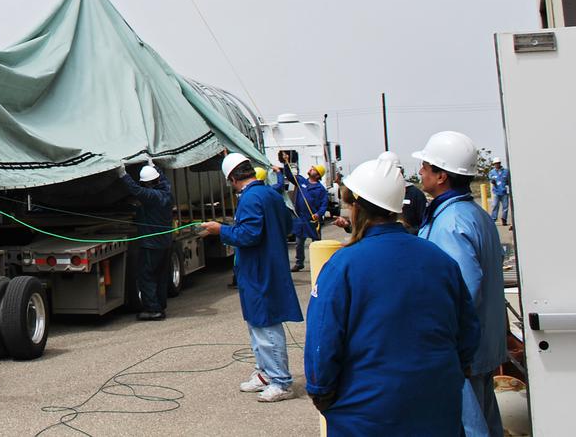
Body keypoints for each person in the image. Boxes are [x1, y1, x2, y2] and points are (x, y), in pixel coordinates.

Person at [305, 158, 479, 435]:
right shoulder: (439, 259)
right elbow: (467, 330)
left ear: (357, 207)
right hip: (436, 403)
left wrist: (321, 392)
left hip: (367, 412)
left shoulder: (343, 266)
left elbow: (323, 340)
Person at [414, 131, 507, 437]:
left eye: (426, 167)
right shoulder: (474, 214)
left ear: (441, 176)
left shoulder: (451, 224)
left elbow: (462, 292)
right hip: (482, 345)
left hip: (461, 352)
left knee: (469, 428)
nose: (421, 172)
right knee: (486, 423)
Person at [201, 154, 302, 403]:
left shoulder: (250, 199)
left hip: (259, 271)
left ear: (232, 178)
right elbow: (287, 224)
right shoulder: (270, 194)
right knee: (257, 324)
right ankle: (266, 374)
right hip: (266, 268)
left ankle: (281, 381)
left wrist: (220, 230)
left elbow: (248, 235)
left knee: (266, 325)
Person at [118, 161, 174, 320]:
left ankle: (153, 309)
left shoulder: (152, 196)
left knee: (147, 276)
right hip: (165, 243)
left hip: (151, 244)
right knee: (161, 276)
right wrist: (154, 166)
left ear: (147, 184)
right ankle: (160, 305)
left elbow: (136, 190)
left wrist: (123, 175)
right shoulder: (166, 191)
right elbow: (164, 180)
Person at [290, 166, 328, 271]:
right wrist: (285, 163)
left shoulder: (321, 189)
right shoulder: (301, 181)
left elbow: (324, 205)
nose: (311, 168)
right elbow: (289, 176)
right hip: (301, 219)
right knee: (299, 243)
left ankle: (319, 262)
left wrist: (318, 214)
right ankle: (299, 263)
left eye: (313, 169)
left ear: (318, 175)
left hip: (312, 220)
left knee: (316, 243)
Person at [379, 150, 427, 231]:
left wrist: (409, 230)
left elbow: (425, 226)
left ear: (401, 171)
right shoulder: (376, 194)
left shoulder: (414, 194)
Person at [487, 158, 510, 226]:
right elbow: (490, 179)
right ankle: (493, 219)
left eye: (498, 163)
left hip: (504, 192)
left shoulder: (506, 171)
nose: (497, 164)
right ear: (494, 164)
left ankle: (504, 219)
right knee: (495, 206)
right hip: (496, 192)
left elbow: (509, 181)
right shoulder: (492, 172)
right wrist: (492, 181)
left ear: (500, 163)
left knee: (505, 207)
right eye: (495, 163)